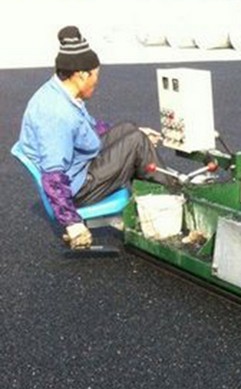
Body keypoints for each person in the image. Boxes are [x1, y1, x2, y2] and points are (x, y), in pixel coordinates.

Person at [18, 25, 169, 250]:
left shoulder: (59, 92)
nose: (96, 85)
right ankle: (170, 204)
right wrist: (72, 223)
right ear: (81, 75)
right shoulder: (56, 115)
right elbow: (53, 174)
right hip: (78, 186)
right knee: (136, 142)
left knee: (131, 129)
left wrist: (131, 134)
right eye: (95, 78)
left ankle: (155, 198)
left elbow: (87, 129)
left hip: (79, 165)